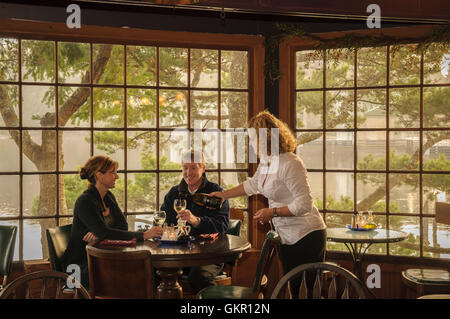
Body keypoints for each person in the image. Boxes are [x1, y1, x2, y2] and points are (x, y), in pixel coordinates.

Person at [210, 110, 327, 297]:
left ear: (266, 138)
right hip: (287, 235)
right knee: (295, 290)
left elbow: (304, 204)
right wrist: (223, 195)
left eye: (253, 139)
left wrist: (272, 212)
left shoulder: (291, 163)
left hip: (307, 235)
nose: (250, 143)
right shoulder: (266, 162)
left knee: (308, 292)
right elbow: (254, 184)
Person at [61, 155, 163, 288]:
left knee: (149, 272)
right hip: (79, 268)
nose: (117, 176)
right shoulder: (85, 201)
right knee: (139, 275)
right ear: (99, 175)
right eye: (112, 172)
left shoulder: (108, 196)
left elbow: (123, 226)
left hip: (103, 260)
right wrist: (143, 235)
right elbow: (105, 232)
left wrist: (101, 233)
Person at [160, 150, 230, 292]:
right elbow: (163, 222)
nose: (188, 172)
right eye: (185, 168)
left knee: (198, 277)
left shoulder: (215, 192)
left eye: (193, 167)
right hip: (180, 255)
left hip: (209, 255)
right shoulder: (174, 193)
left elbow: (222, 226)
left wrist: (196, 220)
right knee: (157, 273)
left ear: (203, 168)